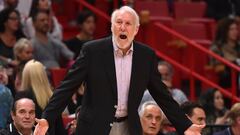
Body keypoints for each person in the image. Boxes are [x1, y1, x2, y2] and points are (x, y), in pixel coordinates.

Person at [34, 6, 204, 135]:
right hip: (94, 127)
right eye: (119, 23)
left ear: (136, 30)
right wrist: (47, 117)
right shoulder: (92, 51)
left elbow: (161, 94)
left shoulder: (146, 56)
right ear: (112, 27)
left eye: (128, 24)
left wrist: (185, 125)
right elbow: (67, 87)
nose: (123, 27)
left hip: (128, 127)